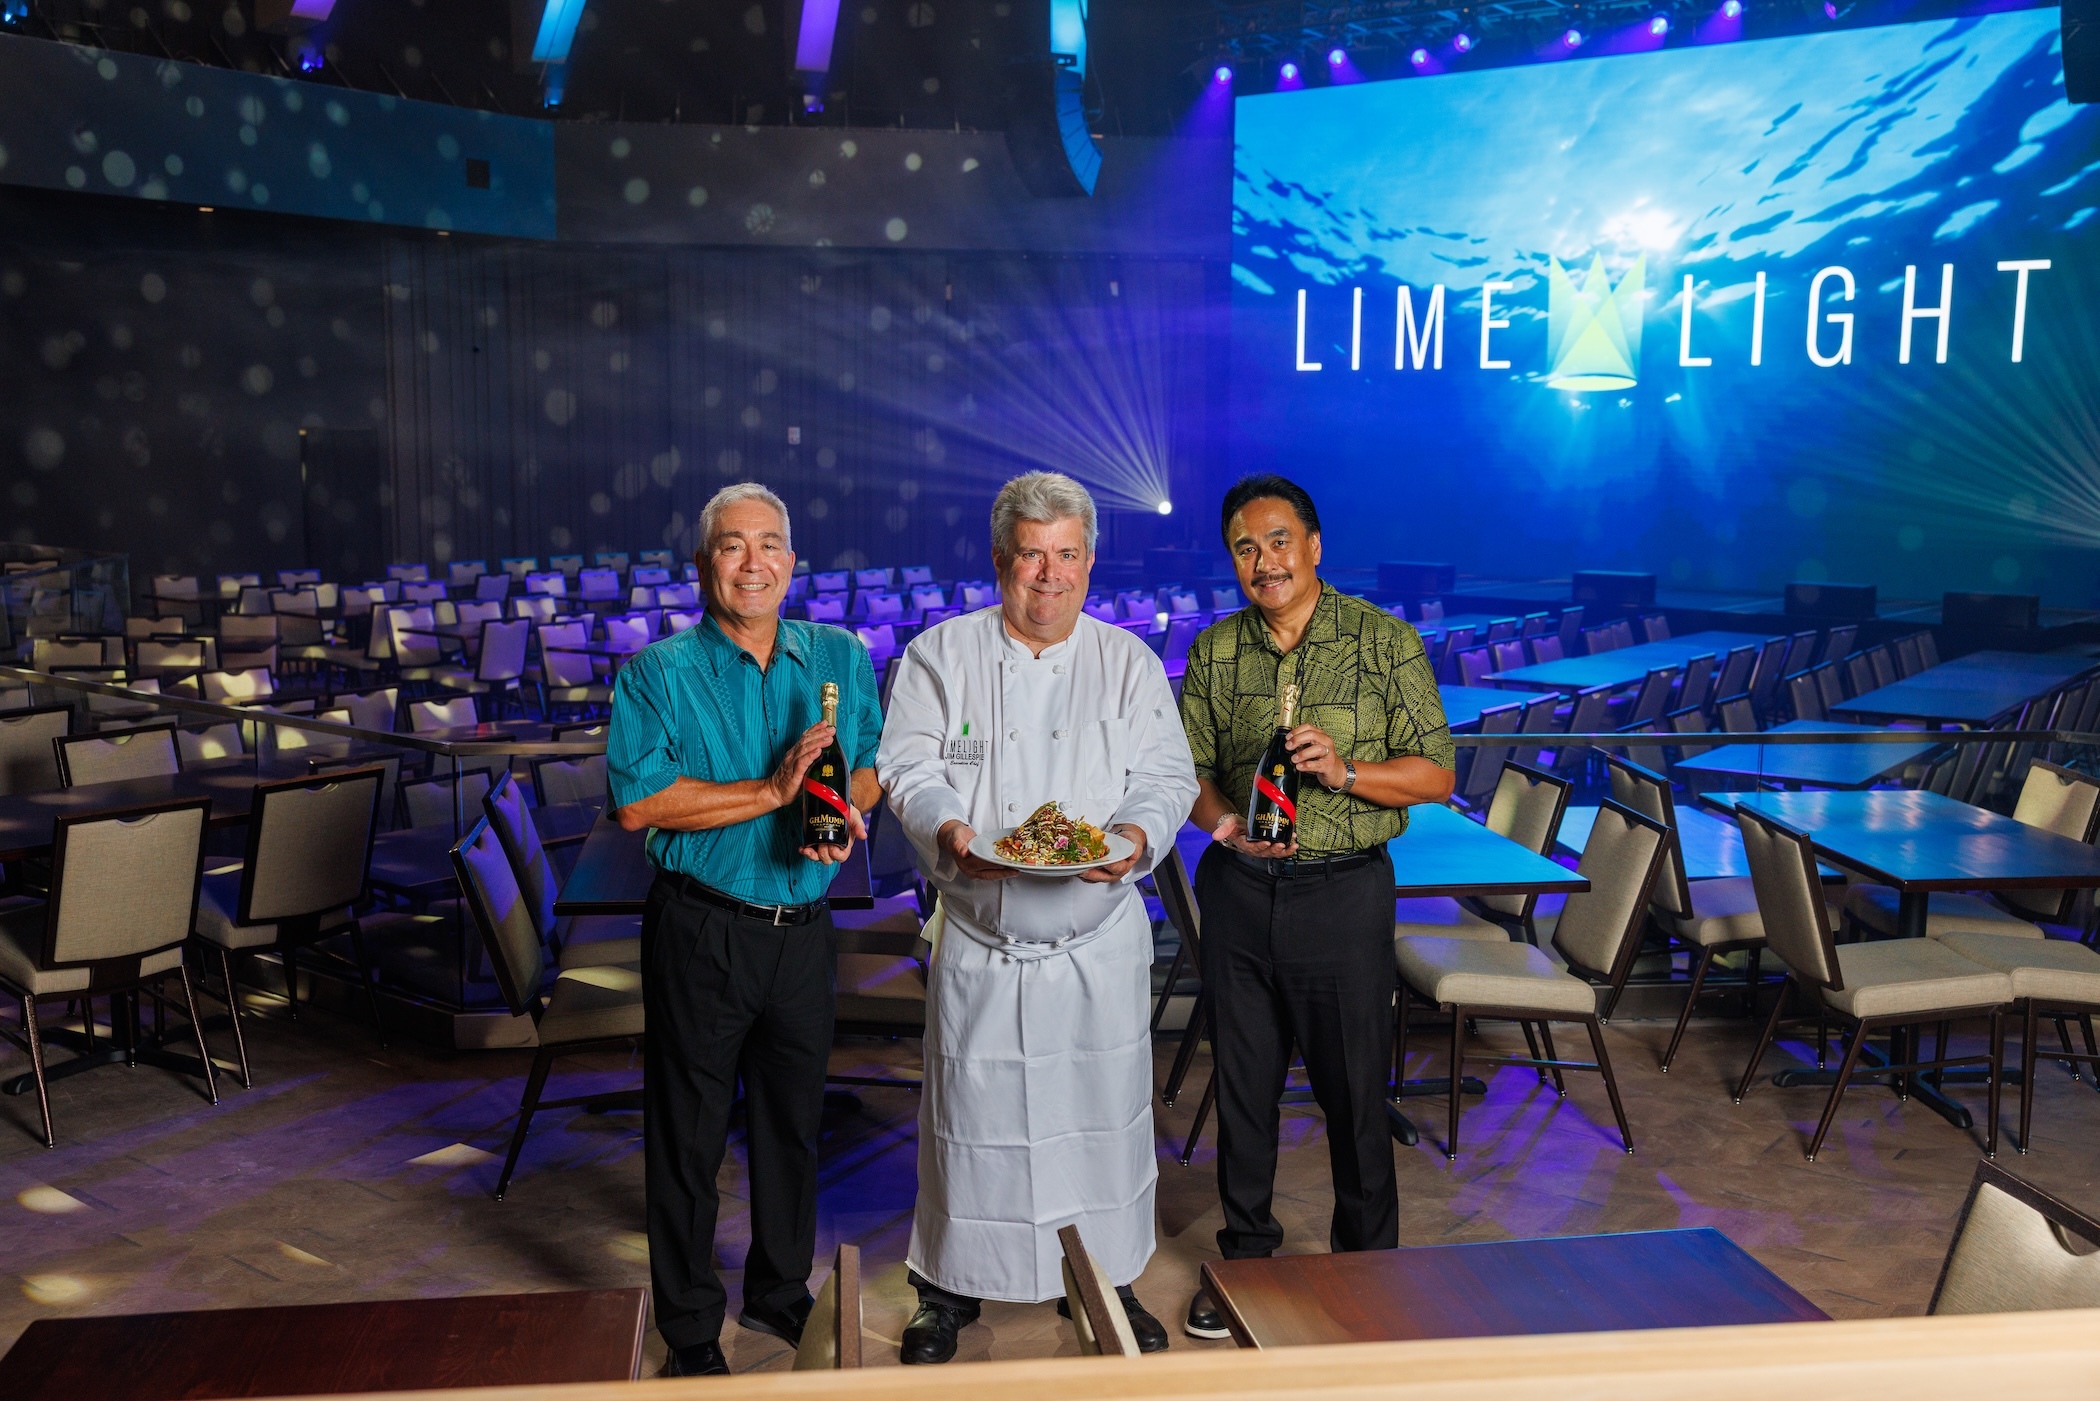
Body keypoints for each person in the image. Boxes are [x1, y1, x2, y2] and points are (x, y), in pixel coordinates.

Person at [877, 471, 1198, 1364]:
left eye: (1066, 555)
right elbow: (907, 766)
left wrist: (1134, 835)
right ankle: (945, 1287)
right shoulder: (942, 655)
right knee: (968, 1125)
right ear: (1000, 561)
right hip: (983, 939)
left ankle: (1110, 1279)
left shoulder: (1126, 661)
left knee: (1102, 1125)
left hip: (1094, 945)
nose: (1048, 575)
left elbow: (1166, 777)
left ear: (1089, 561)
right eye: (1031, 555)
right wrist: (950, 827)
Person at [606, 483, 882, 1378]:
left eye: (771, 545)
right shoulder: (657, 674)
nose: (754, 561)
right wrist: (773, 793)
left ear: (793, 563)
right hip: (702, 930)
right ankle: (690, 1324)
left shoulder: (839, 656)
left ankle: (777, 1286)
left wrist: (843, 811)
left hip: (803, 928)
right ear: (704, 566)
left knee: (792, 1124)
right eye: (733, 546)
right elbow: (641, 803)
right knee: (687, 1135)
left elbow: (873, 764)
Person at [1175, 473, 1455, 1340]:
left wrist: (1346, 773)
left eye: (1279, 540)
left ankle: (1366, 1272)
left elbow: (1438, 773)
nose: (1264, 561)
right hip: (1240, 894)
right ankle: (1245, 1263)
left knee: (1354, 1094)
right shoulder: (1216, 650)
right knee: (1246, 1092)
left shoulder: (1383, 640)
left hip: (1343, 893)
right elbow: (1186, 771)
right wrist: (1223, 828)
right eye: (1245, 548)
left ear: (1315, 544)